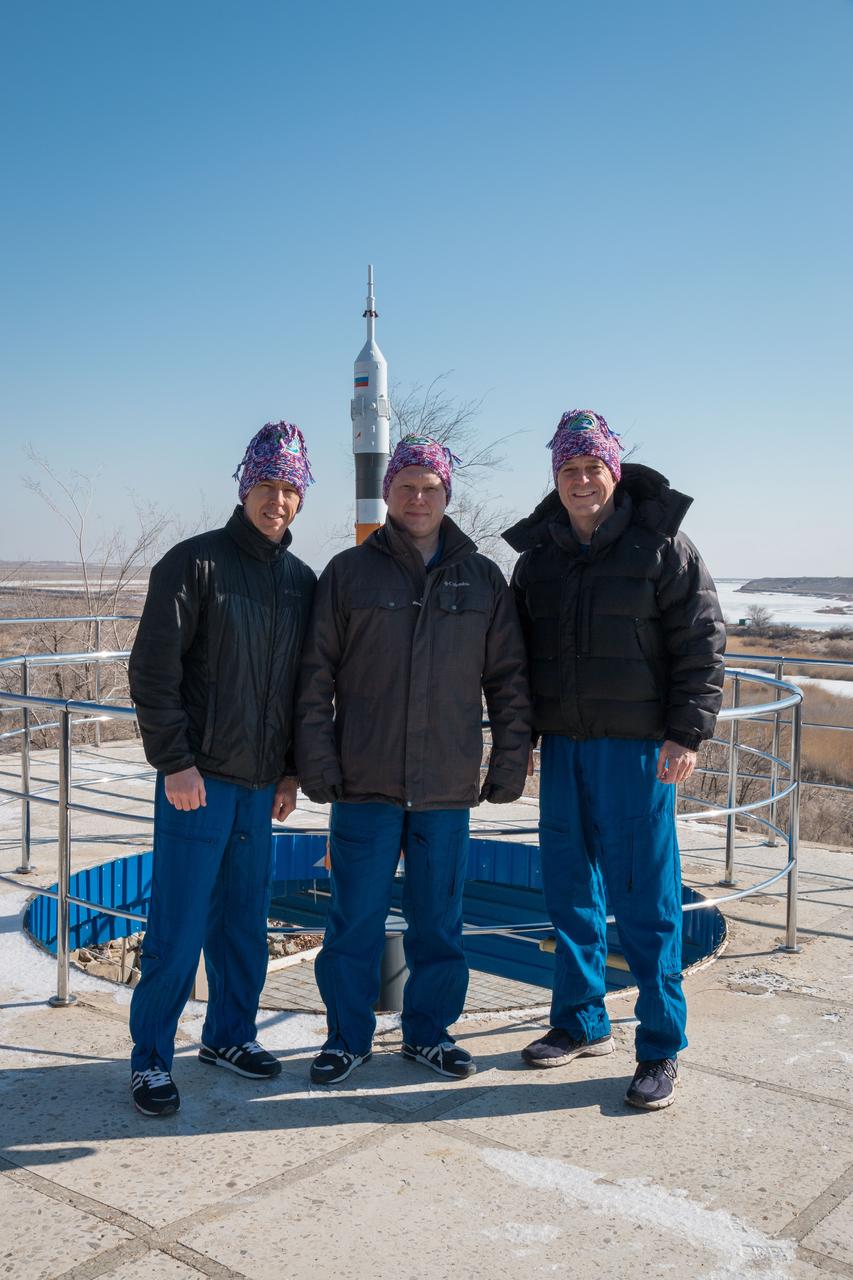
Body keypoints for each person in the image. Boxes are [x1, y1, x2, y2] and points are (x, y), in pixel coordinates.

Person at [504, 410, 725, 1110]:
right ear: (556, 478)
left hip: (636, 752)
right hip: (564, 744)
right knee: (568, 890)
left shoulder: (661, 546)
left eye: (590, 467)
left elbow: (701, 641)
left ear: (613, 471)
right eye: (567, 470)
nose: (579, 481)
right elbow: (514, 657)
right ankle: (578, 1020)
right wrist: (525, 735)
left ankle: (658, 1045)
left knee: (646, 901)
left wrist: (685, 734)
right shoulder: (538, 556)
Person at [296, 435, 530, 1085]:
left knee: (439, 924)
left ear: (447, 495)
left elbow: (508, 679)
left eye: (430, 488)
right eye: (406, 487)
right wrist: (316, 760)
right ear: (388, 494)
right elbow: (314, 676)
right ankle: (346, 1039)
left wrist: (509, 760)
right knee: (352, 923)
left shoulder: (479, 576)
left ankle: (428, 1035)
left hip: (445, 786)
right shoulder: (347, 574)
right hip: (362, 781)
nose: (418, 498)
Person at [126, 422, 317, 1116]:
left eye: (291, 487)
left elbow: (303, 688)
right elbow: (152, 670)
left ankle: (229, 1037)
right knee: (177, 925)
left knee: (243, 922)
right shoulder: (193, 563)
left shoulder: (301, 581)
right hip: (197, 783)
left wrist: (292, 772)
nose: (279, 499)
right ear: (245, 489)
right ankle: (151, 1058)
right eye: (268, 485)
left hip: (260, 783)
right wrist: (174, 760)